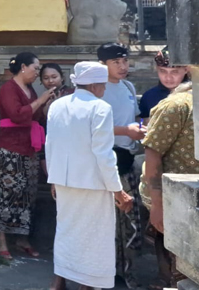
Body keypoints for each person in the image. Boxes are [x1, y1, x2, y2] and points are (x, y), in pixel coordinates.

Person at [46, 62, 134, 290]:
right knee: (96, 237)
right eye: (103, 86)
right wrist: (118, 190)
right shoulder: (100, 108)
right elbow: (104, 154)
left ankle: (59, 282)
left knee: (66, 231)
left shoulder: (57, 106)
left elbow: (50, 145)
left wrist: (54, 180)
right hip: (94, 184)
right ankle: (87, 285)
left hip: (65, 182)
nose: (104, 90)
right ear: (95, 85)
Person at [141, 80, 199, 290]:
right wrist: (158, 206)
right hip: (175, 199)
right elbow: (153, 155)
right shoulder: (178, 106)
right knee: (181, 269)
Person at [0, 52, 55, 260]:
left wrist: (45, 105)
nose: (37, 72)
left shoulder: (29, 89)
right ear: (23, 67)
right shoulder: (8, 89)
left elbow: (34, 115)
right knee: (9, 192)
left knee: (28, 194)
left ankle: (22, 239)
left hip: (29, 147)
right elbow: (18, 115)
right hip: (10, 147)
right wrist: (41, 100)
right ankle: (1, 239)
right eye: (35, 68)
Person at [98, 42, 145, 288]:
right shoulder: (97, 89)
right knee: (108, 221)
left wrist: (138, 128)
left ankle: (127, 272)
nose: (122, 66)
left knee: (129, 221)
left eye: (125, 61)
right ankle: (106, 272)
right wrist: (124, 130)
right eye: (116, 62)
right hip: (106, 160)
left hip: (127, 159)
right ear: (102, 65)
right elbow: (93, 128)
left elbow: (134, 117)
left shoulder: (128, 86)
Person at [138, 48, 190, 120]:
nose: (168, 77)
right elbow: (140, 121)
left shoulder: (196, 95)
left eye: (174, 72)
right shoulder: (149, 96)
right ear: (157, 69)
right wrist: (145, 122)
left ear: (186, 69)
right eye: (163, 71)